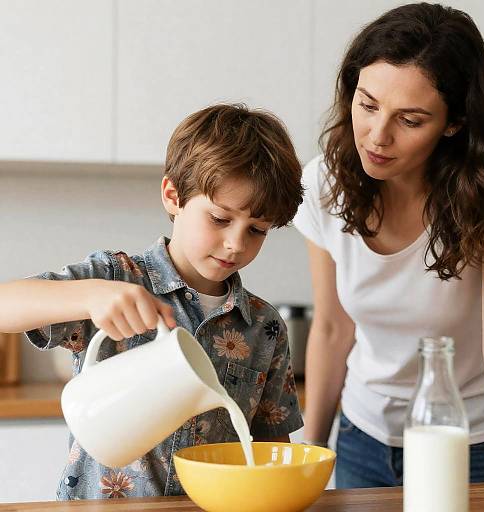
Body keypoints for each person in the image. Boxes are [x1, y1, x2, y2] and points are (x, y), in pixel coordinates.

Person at [0, 104, 304, 499]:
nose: (236, 244)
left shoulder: (264, 326)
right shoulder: (114, 278)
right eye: (219, 219)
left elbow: (269, 445)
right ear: (173, 196)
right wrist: (90, 295)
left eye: (257, 230)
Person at [293, 2, 484, 489]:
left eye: (410, 121)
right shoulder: (324, 184)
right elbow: (331, 328)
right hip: (362, 437)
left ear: (453, 123)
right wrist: (308, 455)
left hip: (472, 444)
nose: (377, 135)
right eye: (367, 105)